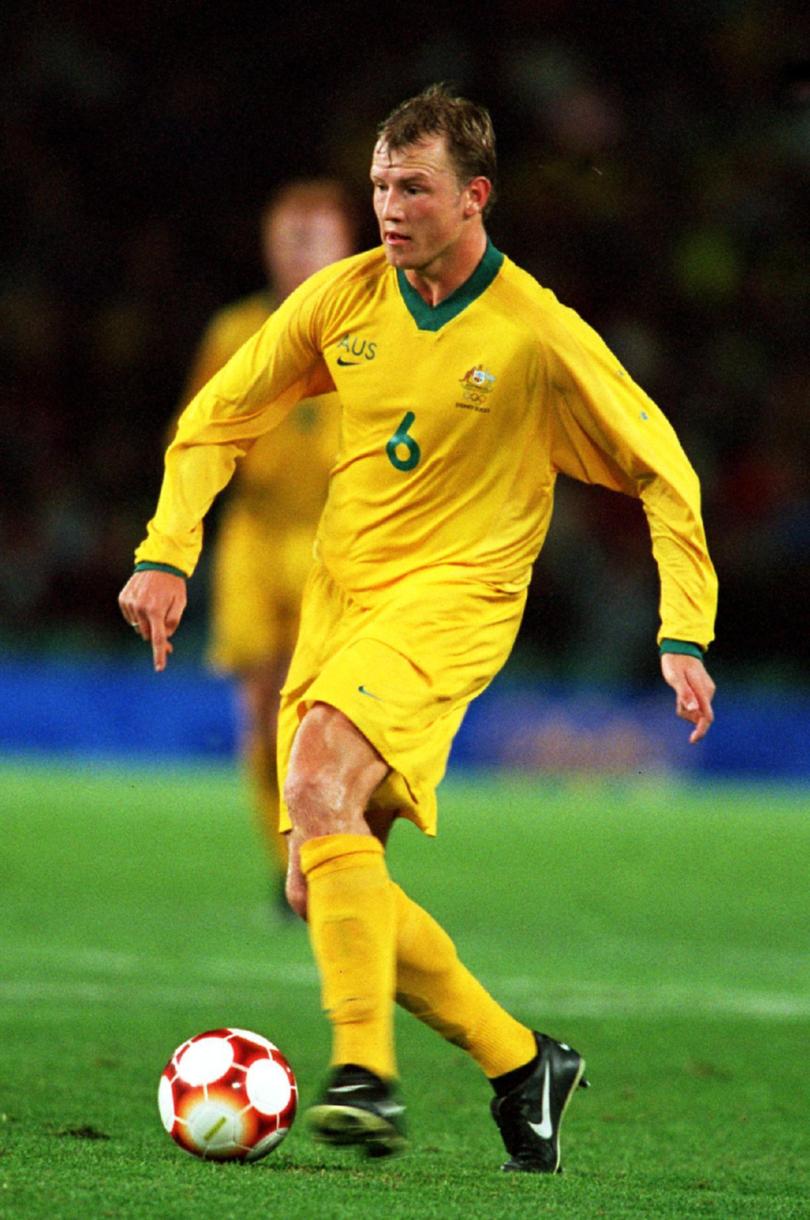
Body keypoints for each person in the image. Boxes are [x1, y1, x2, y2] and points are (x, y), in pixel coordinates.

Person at [119, 84, 717, 1174]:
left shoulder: (535, 331)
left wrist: (685, 626)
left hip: (456, 600)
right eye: (381, 187)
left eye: (415, 188)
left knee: (312, 781)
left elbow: (661, 467)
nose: (391, 208)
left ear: (474, 196)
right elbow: (221, 413)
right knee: (323, 874)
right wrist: (167, 547)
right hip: (340, 599)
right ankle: (521, 1060)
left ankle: (365, 1076)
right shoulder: (346, 300)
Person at [172, 181, 357, 909]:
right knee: (261, 704)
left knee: (326, 708)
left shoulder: (375, 328)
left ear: (347, 244)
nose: (298, 250)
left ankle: (334, 847)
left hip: (337, 535)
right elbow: (197, 438)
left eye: (314, 235)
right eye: (287, 236)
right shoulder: (234, 332)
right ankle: (291, 861)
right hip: (256, 530)